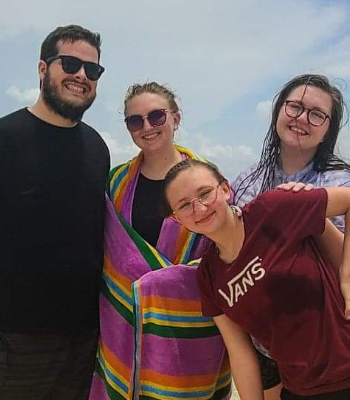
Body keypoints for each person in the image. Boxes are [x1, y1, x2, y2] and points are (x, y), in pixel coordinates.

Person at [0, 24, 109, 399]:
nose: (81, 75)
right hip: (13, 337)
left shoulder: (97, 148)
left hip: (85, 336)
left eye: (92, 70)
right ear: (42, 69)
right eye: (70, 63)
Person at [163, 159, 350, 400]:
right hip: (303, 387)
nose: (200, 208)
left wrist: (347, 278)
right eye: (185, 205)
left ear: (226, 189)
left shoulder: (271, 209)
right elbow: (240, 352)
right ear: (177, 219)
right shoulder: (209, 276)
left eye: (205, 193)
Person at [232, 74, 350, 399]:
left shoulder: (340, 179)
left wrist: (309, 210)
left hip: (330, 339)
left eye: (316, 114)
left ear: (328, 130)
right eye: (294, 107)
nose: (301, 119)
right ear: (278, 111)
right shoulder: (247, 179)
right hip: (268, 342)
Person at [90, 82, 231, 399]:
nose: (147, 127)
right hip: (122, 326)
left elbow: (228, 251)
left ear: (176, 119)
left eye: (156, 116)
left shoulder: (205, 181)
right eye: (135, 121)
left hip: (191, 331)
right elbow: (104, 257)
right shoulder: (115, 183)